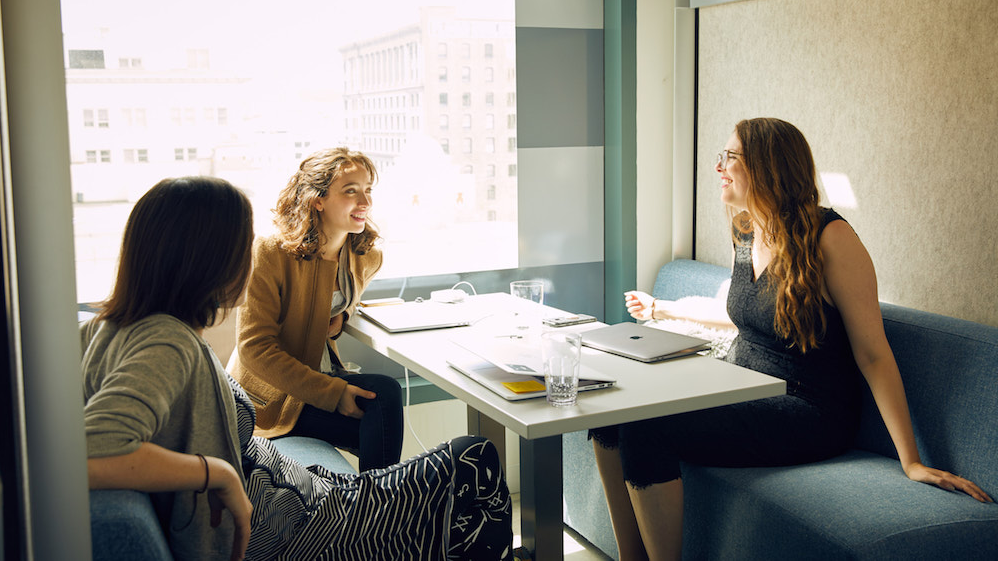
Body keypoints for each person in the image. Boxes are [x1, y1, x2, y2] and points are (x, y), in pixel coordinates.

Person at [593, 118, 992, 561]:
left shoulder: (832, 238)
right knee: (612, 414)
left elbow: (874, 354)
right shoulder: (746, 231)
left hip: (808, 410)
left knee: (648, 428)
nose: (719, 167)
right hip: (741, 386)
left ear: (768, 167)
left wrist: (912, 461)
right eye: (721, 156)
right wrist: (662, 310)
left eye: (731, 157)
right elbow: (750, 316)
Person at [82, 176, 512, 561]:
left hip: (309, 492)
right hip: (304, 528)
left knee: (401, 419)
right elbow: (89, 453)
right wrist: (220, 475)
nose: (250, 259)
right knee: (476, 457)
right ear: (207, 259)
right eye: (242, 244)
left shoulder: (104, 329)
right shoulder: (167, 341)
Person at [228, 148, 403, 472]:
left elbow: (345, 300)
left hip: (316, 379)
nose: (365, 202)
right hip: (270, 399)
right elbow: (254, 348)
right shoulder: (269, 253)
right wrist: (333, 392)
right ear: (317, 199)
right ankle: (381, 506)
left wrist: (343, 317)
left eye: (367, 190)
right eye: (351, 191)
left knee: (385, 395)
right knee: (383, 400)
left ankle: (376, 506)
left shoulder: (366, 257)